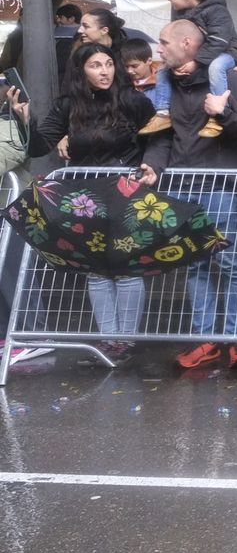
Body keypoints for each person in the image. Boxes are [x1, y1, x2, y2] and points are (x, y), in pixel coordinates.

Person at [7, 43, 156, 365]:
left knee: (127, 268)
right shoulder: (67, 106)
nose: (105, 71)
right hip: (85, 198)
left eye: (108, 64)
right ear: (81, 71)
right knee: (96, 271)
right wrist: (25, 119)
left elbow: (159, 137)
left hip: (127, 192)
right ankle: (109, 341)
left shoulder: (133, 101)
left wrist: (152, 166)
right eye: (95, 65)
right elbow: (39, 147)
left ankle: (127, 340)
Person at [140, 19, 237, 369]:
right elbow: (163, 137)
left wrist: (222, 112)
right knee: (194, 265)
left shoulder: (227, 79)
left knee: (230, 264)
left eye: (164, 42)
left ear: (186, 44)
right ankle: (205, 340)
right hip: (180, 189)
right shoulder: (167, 85)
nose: (159, 49)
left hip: (220, 188)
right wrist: (153, 164)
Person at [143, 0, 237, 139]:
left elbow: (218, 40)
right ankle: (162, 113)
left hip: (227, 52)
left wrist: (196, 62)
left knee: (216, 67)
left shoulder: (217, 11)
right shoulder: (185, 13)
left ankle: (217, 113)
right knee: (162, 69)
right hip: (207, 53)